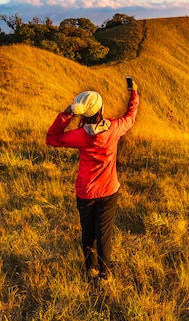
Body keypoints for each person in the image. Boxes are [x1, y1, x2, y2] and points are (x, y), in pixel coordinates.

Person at [46, 78, 139, 285]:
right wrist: (134, 93)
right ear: (101, 110)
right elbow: (131, 116)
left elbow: (52, 138)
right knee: (103, 233)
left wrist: (68, 112)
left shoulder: (79, 136)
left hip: (86, 191)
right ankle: (105, 275)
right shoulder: (114, 128)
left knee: (87, 231)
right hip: (108, 190)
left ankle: (91, 270)